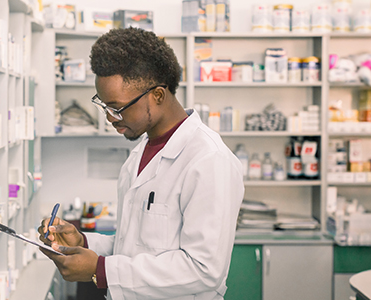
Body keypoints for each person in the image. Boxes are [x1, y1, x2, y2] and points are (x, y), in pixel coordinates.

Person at [38, 27, 244, 300]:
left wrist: (101, 270)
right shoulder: (139, 155)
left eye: (118, 107)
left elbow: (204, 269)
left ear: (158, 95)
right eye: (104, 106)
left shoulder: (208, 160)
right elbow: (134, 246)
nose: (110, 118)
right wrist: (84, 242)